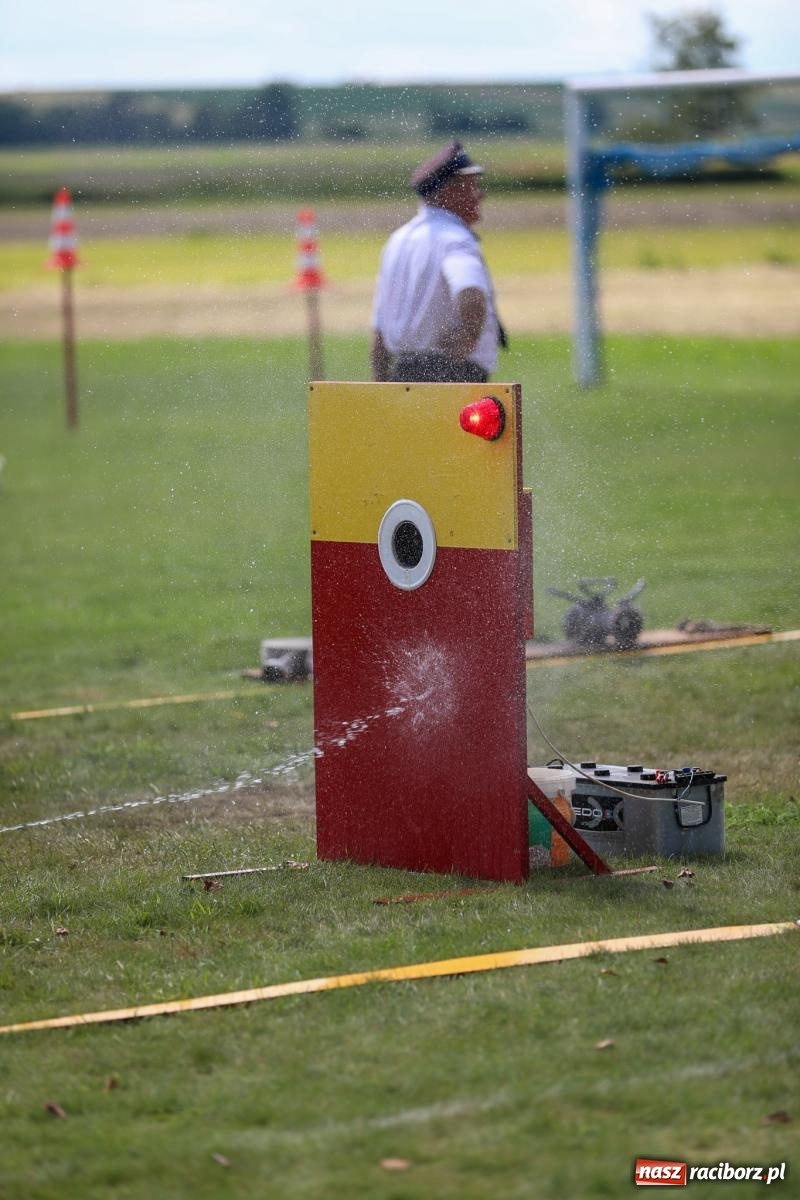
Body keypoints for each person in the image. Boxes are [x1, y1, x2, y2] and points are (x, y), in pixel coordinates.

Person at [371, 141, 505, 384]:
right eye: (472, 186)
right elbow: (471, 292)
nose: (480, 194)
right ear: (449, 191)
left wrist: (381, 382)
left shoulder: (397, 241)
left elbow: (380, 327)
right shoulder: (455, 240)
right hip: (453, 374)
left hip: (404, 373)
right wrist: (468, 336)